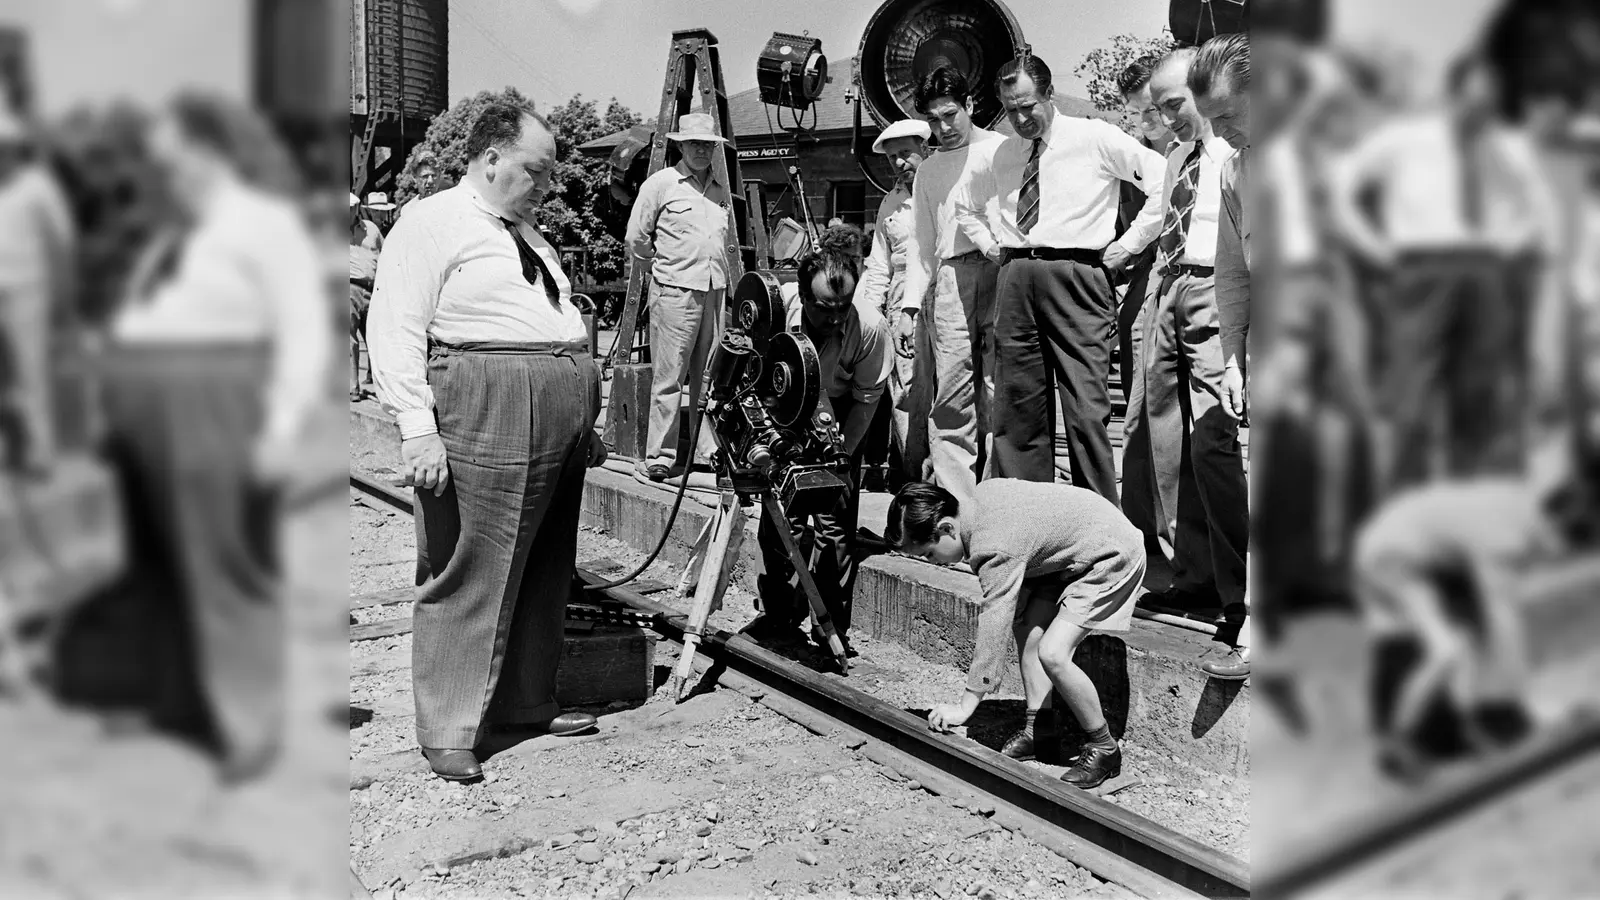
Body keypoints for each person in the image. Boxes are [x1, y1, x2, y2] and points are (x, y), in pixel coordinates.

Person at [367, 101, 604, 782]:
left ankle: (526, 699)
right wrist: (418, 429)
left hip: (554, 407)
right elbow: (396, 327)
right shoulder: (432, 220)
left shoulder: (529, 234)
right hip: (486, 402)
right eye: (538, 169)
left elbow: (554, 323)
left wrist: (581, 418)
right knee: (470, 563)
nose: (549, 185)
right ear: (492, 157)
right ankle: (449, 724)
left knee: (542, 565)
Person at [101, 93, 331, 782]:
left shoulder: (262, 224)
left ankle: (250, 724)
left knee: (229, 566)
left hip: (223, 399)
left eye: (171, 159)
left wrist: (281, 428)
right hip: (151, 404)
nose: (161, 172)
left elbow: (302, 331)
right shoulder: (170, 228)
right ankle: (175, 701)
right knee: (160, 562)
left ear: (207, 152)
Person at [1328, 53, 1558, 493]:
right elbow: (1343, 187)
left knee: (1481, 395)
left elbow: (1540, 208)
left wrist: (1509, 245)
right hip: (1420, 270)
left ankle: (1472, 503)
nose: (1481, 111)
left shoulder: (1508, 147)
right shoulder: (1404, 139)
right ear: (1454, 94)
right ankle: (1403, 501)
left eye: (1490, 102)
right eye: (1474, 99)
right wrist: (1375, 250)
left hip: (1484, 271)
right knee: (1409, 394)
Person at [958, 54, 1167, 501]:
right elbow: (966, 205)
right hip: (1016, 277)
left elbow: (1164, 182)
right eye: (1010, 109)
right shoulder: (1002, 152)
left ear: (1049, 94)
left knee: (1086, 409)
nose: (1020, 117)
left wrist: (1127, 246)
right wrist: (990, 246)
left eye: (1028, 105)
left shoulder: (1094, 136)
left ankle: (1098, 527)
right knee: (1016, 410)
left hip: (1078, 277)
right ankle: (1029, 522)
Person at [887, 479, 1146, 789]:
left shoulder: (991, 545)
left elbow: (993, 623)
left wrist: (966, 706)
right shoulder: (976, 501)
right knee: (1028, 625)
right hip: (1072, 556)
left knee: (1053, 652)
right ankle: (1040, 730)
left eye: (930, 553)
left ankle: (1104, 747)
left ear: (946, 529)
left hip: (1111, 555)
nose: (934, 562)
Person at [1123, 50, 1251, 653]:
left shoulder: (1237, 148)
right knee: (1167, 443)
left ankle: (1238, 588)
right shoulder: (1179, 156)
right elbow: (1157, 214)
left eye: (1175, 104)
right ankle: (1190, 574)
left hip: (1213, 289)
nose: (1167, 117)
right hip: (1169, 287)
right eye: (1160, 107)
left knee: (1214, 442)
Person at [745, 226, 892, 653]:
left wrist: (838, 457)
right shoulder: (776, 312)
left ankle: (830, 625)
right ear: (803, 298)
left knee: (835, 523)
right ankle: (779, 616)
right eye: (824, 309)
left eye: (842, 308)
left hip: (844, 412)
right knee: (780, 517)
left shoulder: (870, 327)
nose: (834, 318)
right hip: (785, 405)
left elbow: (867, 403)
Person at [900, 66, 1007, 511]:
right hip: (949, 281)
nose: (943, 128)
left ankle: (1000, 503)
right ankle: (955, 511)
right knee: (952, 397)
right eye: (933, 120)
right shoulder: (928, 170)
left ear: (970, 105)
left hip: (1001, 272)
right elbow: (921, 245)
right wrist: (908, 307)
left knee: (1000, 390)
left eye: (950, 115)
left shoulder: (1003, 150)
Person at [1191, 31, 1255, 680]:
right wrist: (1233, 356)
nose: (1223, 134)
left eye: (1230, 118)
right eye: (1213, 124)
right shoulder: (1234, 168)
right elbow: (1234, 273)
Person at [625, 112, 732, 482]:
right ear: (680, 146)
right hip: (674, 292)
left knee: (709, 378)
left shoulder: (719, 191)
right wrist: (660, 270)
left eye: (707, 145)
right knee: (670, 378)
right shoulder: (661, 184)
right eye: (695, 144)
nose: (701, 151)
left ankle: (706, 451)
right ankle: (660, 455)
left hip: (714, 293)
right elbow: (636, 239)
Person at [1112, 56, 1176, 548]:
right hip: (1144, 288)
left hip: (1193, 285)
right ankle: (1141, 528)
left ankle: (1178, 527)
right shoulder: (1131, 159)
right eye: (1139, 113)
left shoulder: (1203, 147)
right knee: (1138, 414)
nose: (1147, 122)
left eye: (1151, 111)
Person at [855, 118, 931, 491]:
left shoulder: (942, 186)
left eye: (906, 154)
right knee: (905, 390)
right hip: (900, 298)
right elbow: (878, 264)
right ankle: (914, 479)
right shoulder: (891, 202)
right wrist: (869, 315)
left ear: (924, 148)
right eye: (892, 159)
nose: (900, 163)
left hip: (943, 287)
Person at [0, 107, 76, 473]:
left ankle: (40, 453)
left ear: (13, 147)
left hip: (28, 288)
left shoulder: (38, 184)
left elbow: (62, 240)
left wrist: (65, 294)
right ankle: (8, 450)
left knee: (31, 371)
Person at [348, 191, 383, 400]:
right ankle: (354, 385)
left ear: (357, 208)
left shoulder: (371, 230)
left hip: (374, 289)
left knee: (376, 339)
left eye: (351, 208)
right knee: (350, 338)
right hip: (349, 287)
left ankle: (380, 386)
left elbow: (386, 253)